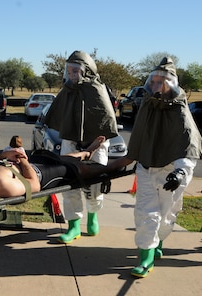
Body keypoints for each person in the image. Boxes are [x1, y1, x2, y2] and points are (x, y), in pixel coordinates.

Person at [85, 57, 202, 278]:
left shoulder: (180, 110)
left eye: (162, 81)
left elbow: (187, 145)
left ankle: (159, 241)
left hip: (172, 171)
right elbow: (139, 139)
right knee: (146, 214)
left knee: (167, 215)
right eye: (154, 81)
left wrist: (180, 172)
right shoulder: (147, 105)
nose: (157, 86)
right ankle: (146, 256)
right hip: (147, 169)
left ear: (171, 83)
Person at [43, 50, 119, 243]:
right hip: (71, 143)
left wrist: (92, 146)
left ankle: (93, 217)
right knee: (69, 183)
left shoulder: (98, 90)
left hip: (98, 144)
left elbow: (106, 120)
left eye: (75, 70)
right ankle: (74, 225)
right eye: (68, 70)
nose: (71, 74)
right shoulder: (67, 91)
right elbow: (59, 116)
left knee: (95, 184)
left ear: (86, 71)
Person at [0, 136, 106, 202]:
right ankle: (118, 165)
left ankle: (86, 153)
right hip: (42, 175)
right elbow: (34, 186)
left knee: (63, 158)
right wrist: (23, 158)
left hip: (28, 164)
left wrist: (6, 154)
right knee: (76, 168)